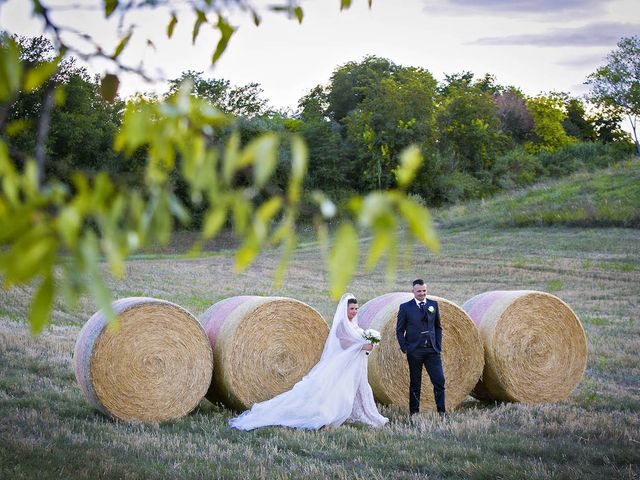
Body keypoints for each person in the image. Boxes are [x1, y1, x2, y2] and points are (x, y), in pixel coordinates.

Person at [229, 293, 388, 430]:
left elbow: (355, 344)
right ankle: (327, 416)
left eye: (356, 308)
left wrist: (368, 346)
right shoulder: (341, 325)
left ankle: (363, 413)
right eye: (352, 309)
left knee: (353, 389)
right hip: (341, 364)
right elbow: (344, 344)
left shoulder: (354, 325)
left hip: (354, 365)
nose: (354, 311)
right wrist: (362, 345)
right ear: (345, 310)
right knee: (336, 390)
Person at [396, 279, 446, 416]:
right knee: (415, 383)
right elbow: (399, 330)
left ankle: (442, 412)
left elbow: (438, 327)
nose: (422, 293)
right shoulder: (405, 307)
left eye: (424, 290)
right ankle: (414, 413)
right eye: (419, 291)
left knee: (439, 381)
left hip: (432, 351)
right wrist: (406, 347)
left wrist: (438, 345)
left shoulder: (433, 305)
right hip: (415, 351)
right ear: (413, 291)